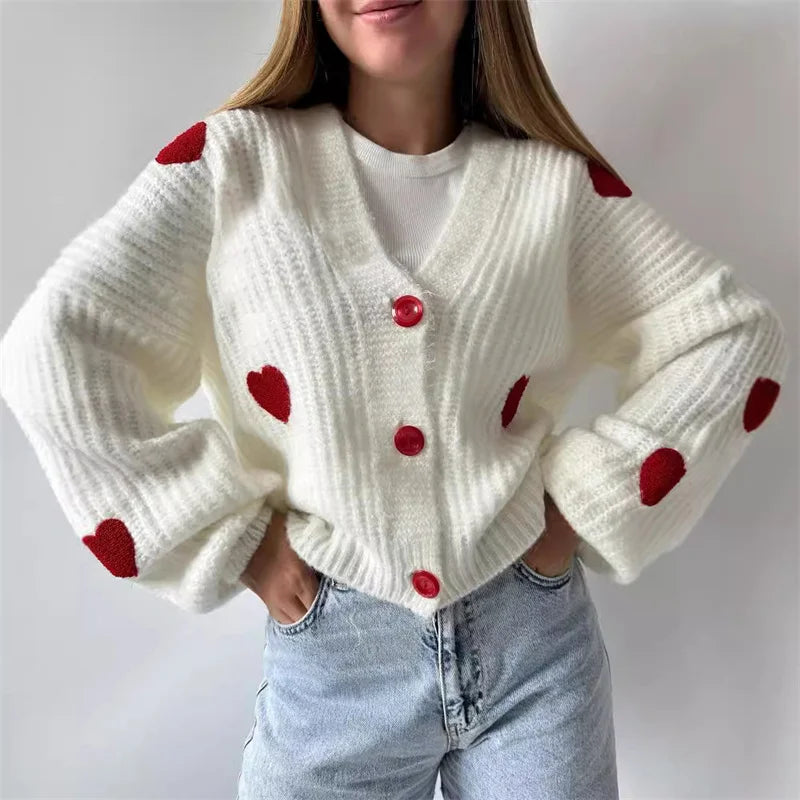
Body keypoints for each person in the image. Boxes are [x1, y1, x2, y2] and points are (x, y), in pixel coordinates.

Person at [0, 0, 789, 797]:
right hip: (335, 661)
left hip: (535, 651)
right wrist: (238, 542)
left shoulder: (555, 190)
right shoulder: (233, 166)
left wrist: (581, 509)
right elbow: (54, 352)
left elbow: (730, 337)